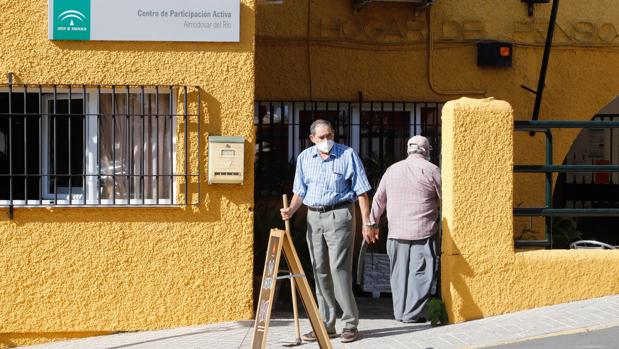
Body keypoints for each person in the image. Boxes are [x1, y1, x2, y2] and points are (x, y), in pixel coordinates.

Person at [280, 119, 374, 343]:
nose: (326, 141)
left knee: (338, 269)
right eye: (321, 137)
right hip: (314, 216)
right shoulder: (304, 158)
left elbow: (362, 192)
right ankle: (326, 323)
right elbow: (300, 191)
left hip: (340, 214)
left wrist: (367, 222)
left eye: (329, 136)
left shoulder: (347, 154)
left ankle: (350, 323)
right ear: (312, 139)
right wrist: (291, 210)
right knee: (319, 268)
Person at [367, 135, 441, 323]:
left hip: (396, 231)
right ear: (426, 150)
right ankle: (411, 314)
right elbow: (446, 198)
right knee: (422, 273)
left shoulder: (392, 170)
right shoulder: (431, 170)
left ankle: (400, 313)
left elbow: (378, 199)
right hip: (423, 231)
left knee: (398, 274)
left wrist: (372, 223)